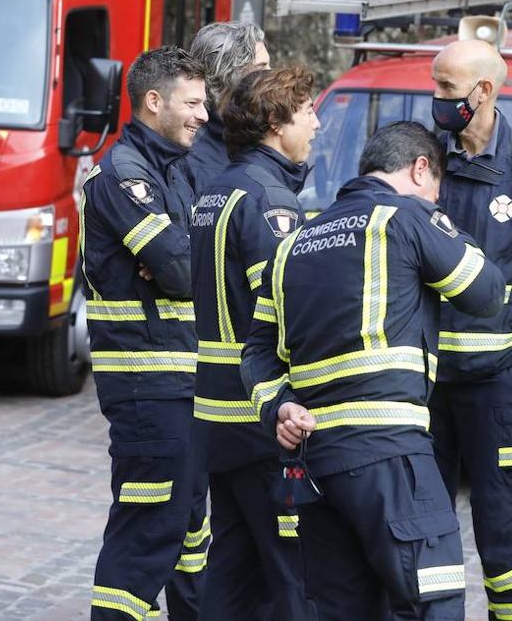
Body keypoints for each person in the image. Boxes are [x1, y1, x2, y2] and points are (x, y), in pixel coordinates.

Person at [241, 121, 507, 620]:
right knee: (435, 600)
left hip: (316, 460)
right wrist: (439, 222)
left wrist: (279, 407)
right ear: (420, 168)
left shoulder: (293, 244)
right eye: (434, 192)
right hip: (390, 454)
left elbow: (255, 353)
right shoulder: (403, 218)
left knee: (346, 610)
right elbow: (486, 293)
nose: (433, 201)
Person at [428, 38, 512, 621]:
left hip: (497, 386)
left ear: (483, 92)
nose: (436, 98)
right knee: (425, 528)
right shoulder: (425, 161)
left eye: (446, 89)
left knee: (504, 531)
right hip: (424, 385)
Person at [81, 46, 208, 621]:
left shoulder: (173, 171)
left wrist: (180, 259)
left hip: (183, 378)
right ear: (154, 102)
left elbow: (185, 263)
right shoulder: (123, 174)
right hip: (145, 380)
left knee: (189, 523)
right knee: (149, 525)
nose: (203, 115)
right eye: (193, 102)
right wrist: (180, 261)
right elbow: (183, 271)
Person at [189, 66, 319, 620]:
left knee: (233, 564)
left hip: (215, 411)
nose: (315, 121)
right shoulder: (271, 201)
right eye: (306, 109)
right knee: (292, 570)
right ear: (274, 121)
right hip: (262, 412)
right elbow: (286, 310)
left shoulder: (215, 190)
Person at [181, 20, 271, 197]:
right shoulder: (194, 162)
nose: (272, 76)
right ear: (227, 75)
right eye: (262, 68)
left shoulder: (261, 136)